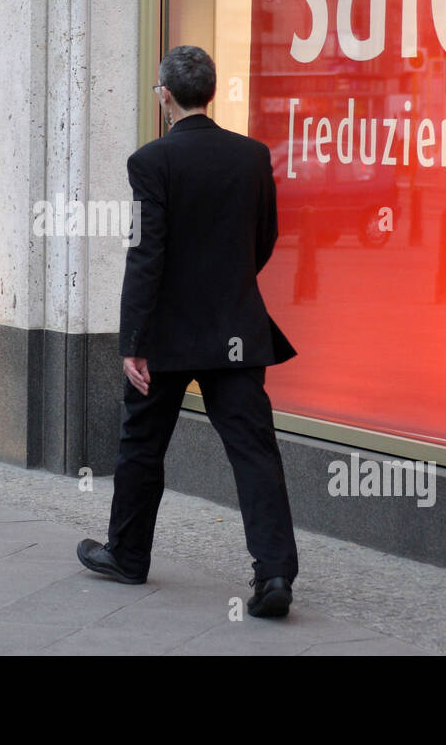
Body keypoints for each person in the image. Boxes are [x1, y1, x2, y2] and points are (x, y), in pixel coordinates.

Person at [77, 44, 300, 618]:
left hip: (168, 339)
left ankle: (128, 555)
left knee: (142, 446)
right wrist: (229, 289)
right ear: (212, 92)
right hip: (236, 331)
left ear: (165, 97)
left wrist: (133, 343)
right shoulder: (252, 156)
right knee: (254, 453)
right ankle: (273, 575)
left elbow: (145, 255)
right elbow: (265, 239)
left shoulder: (152, 161)